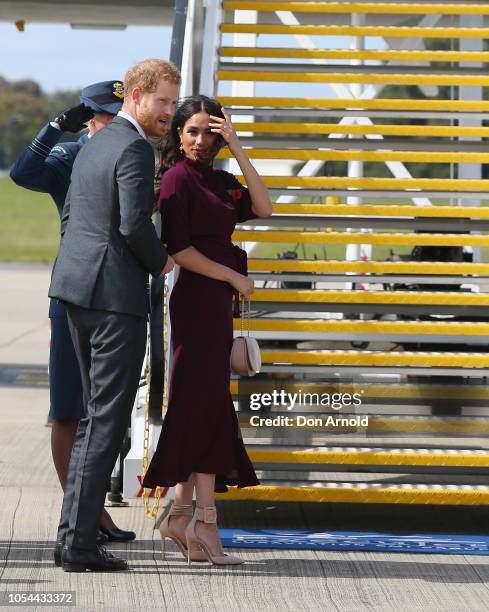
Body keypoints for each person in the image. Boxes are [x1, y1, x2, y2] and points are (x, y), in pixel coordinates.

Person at [48, 58, 180, 572]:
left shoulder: (96, 142)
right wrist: (164, 262)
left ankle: (72, 539)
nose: (170, 111)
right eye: (164, 101)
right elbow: (131, 225)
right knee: (105, 422)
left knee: (91, 421)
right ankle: (79, 546)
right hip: (111, 300)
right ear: (137, 96)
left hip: (77, 292)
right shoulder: (132, 147)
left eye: (174, 102)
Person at [142, 95, 273, 566]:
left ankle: (184, 515)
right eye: (192, 131)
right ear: (178, 134)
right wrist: (232, 276)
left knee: (207, 406)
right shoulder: (176, 180)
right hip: (197, 301)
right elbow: (176, 248)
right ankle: (204, 522)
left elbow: (264, 206)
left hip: (218, 306)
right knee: (206, 405)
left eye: (209, 132)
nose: (201, 140)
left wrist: (237, 146)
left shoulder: (220, 180)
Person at [9, 81, 136, 546]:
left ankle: (89, 511)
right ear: (89, 118)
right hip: (74, 293)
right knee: (69, 408)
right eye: (105, 115)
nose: (115, 123)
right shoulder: (69, 156)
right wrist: (58, 125)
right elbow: (22, 173)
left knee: (107, 409)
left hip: (119, 294)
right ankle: (83, 513)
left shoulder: (134, 150)